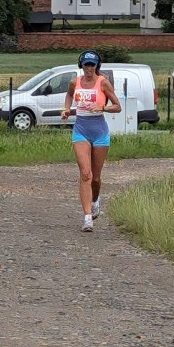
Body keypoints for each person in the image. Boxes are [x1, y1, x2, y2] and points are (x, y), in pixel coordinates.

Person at [60, 50, 122, 232]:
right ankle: (87, 218)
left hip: (99, 131)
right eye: (86, 65)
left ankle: (95, 200)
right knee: (85, 173)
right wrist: (66, 109)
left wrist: (101, 107)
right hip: (80, 129)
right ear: (81, 65)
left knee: (95, 178)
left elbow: (117, 106)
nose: (88, 69)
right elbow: (69, 96)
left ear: (97, 66)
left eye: (92, 65)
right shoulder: (74, 82)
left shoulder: (103, 83)